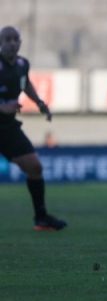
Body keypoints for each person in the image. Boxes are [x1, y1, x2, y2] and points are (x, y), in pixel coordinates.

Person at [0, 26, 67, 231]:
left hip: (7, 127)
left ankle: (41, 217)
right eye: (7, 39)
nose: (12, 43)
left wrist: (39, 103)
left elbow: (25, 83)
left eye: (15, 39)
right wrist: (2, 107)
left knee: (35, 167)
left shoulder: (22, 64)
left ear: (20, 42)